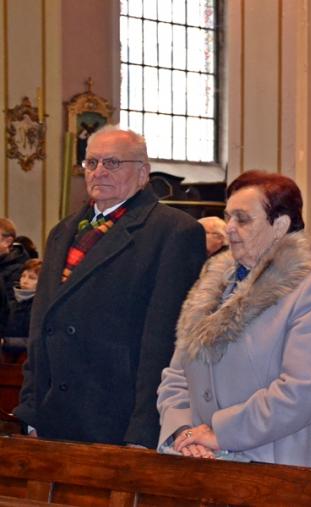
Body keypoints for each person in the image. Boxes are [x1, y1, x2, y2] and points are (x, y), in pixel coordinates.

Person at [15, 127, 206, 447]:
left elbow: (163, 342)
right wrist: (31, 410)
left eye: (113, 163)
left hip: (116, 419)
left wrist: (144, 430)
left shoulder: (173, 231)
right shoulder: (62, 231)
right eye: (92, 163)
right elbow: (40, 327)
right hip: (54, 416)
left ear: (143, 173)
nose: (99, 171)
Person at [156, 170, 311, 470]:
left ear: (279, 225)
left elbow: (304, 389)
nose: (230, 228)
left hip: (282, 465)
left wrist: (220, 433)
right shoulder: (213, 285)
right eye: (228, 217)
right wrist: (184, 431)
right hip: (203, 462)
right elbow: (177, 375)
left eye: (243, 219)